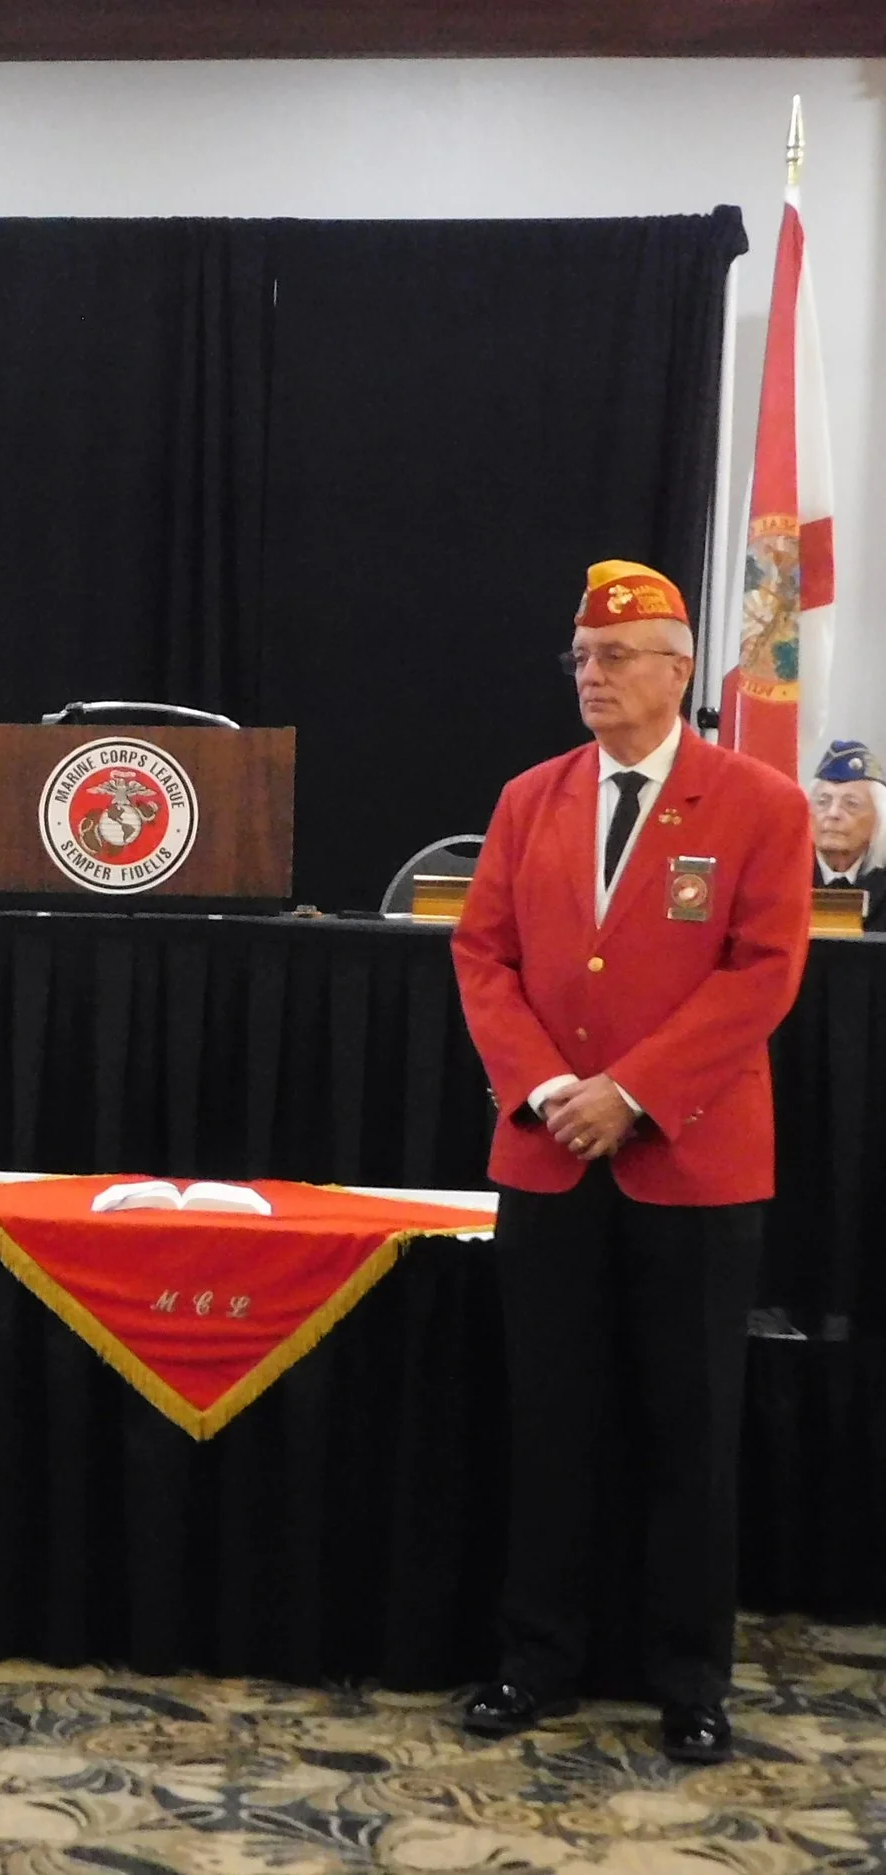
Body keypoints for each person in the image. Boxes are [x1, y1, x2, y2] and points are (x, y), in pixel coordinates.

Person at [451, 559, 811, 1766]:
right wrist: (549, 1088)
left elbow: (762, 972)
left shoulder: (758, 804)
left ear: (678, 670)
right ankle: (535, 1660)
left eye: (614, 657)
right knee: (550, 1419)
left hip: (692, 1166)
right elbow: (483, 954)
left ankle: (688, 1679)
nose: (590, 676)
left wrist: (635, 1093)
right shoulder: (530, 798)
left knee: (689, 1429)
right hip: (550, 1153)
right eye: (580, 658)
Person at [808, 738, 886, 931]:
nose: (833, 813)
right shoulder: (783, 875)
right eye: (823, 802)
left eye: (851, 804)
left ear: (878, 819)